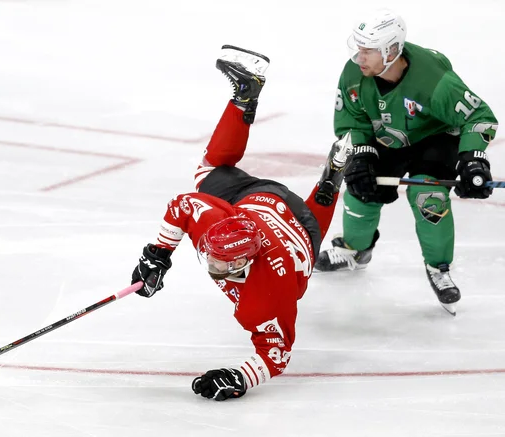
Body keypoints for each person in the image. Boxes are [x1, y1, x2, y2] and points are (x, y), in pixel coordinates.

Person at [129, 45, 351, 401]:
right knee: (206, 173)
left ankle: (329, 185)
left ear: (244, 262)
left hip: (293, 224)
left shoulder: (267, 294)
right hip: (258, 202)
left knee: (308, 242)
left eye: (219, 261)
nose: (210, 263)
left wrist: (239, 377)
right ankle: (246, 95)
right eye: (210, 255)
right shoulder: (216, 226)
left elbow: (275, 357)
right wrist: (157, 255)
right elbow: (182, 206)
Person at [313, 10, 498, 316]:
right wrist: (361, 152)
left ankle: (438, 266)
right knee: (361, 186)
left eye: (368, 50)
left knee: (429, 195)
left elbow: (478, 117)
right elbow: (351, 119)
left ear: (392, 50)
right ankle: (355, 250)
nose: (360, 58)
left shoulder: (435, 81)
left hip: (435, 139)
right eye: (359, 49)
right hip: (387, 138)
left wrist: (473, 159)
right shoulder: (354, 74)